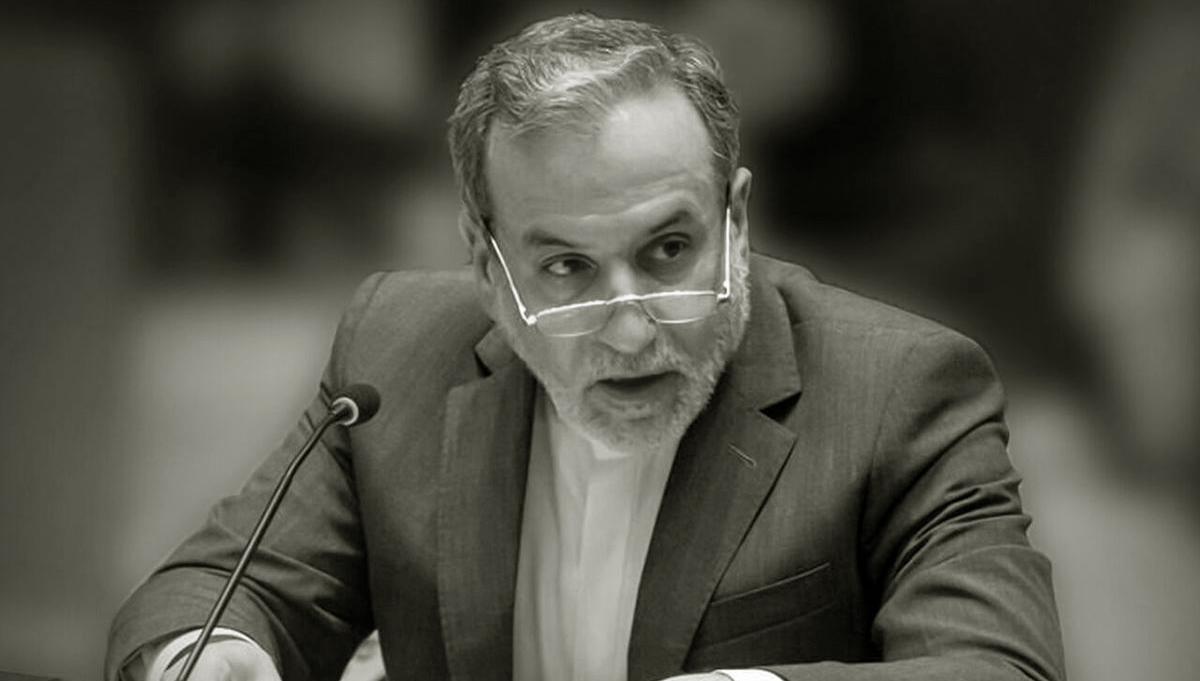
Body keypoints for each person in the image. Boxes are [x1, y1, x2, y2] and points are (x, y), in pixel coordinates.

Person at [106, 12, 1064, 681]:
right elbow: (219, 586)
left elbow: (997, 667)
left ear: (735, 220)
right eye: (566, 268)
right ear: (487, 266)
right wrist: (210, 651)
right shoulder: (396, 348)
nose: (631, 325)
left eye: (669, 251)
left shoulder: (902, 387)